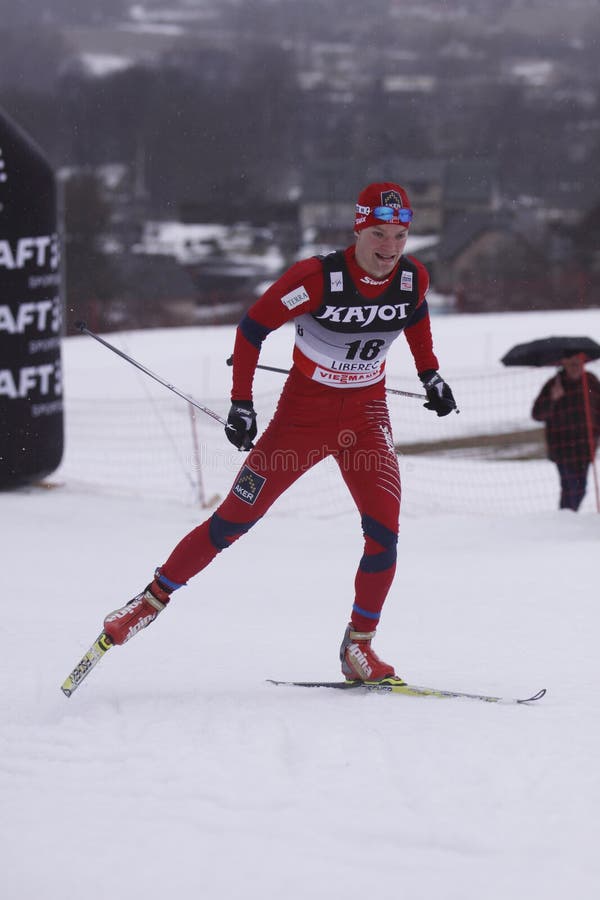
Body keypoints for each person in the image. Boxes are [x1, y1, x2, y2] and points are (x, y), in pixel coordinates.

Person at [102, 182, 457, 682]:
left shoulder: (412, 278)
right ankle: (147, 602)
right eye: (379, 233)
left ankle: (359, 646)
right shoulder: (317, 278)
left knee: (384, 534)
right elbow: (253, 328)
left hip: (365, 420)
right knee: (232, 523)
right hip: (300, 421)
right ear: (359, 229)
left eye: (400, 235)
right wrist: (242, 403)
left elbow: (415, 315)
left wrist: (431, 375)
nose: (390, 248)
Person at [531, 352, 600, 511]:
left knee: (581, 488)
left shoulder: (591, 381)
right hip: (563, 448)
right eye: (571, 361)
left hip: (585, 447)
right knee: (570, 488)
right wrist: (552, 399)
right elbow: (536, 414)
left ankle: (567, 518)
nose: (575, 365)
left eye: (578, 361)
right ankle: (565, 519)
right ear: (563, 362)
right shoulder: (553, 385)